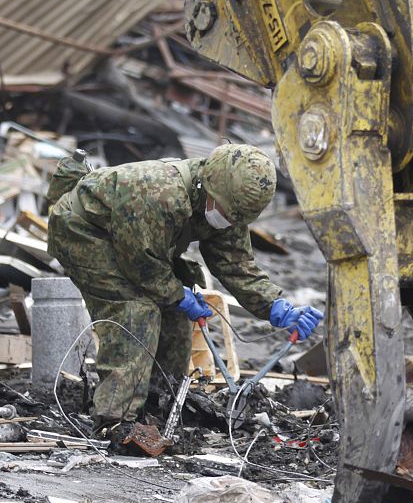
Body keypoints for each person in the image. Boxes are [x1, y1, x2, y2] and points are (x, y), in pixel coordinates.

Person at [47, 143, 324, 434]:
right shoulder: (161, 193)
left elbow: (235, 264)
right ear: (209, 186)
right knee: (135, 309)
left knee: (173, 309)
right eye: (228, 214)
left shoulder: (228, 206)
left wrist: (276, 306)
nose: (229, 222)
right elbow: (142, 264)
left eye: (237, 219)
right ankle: (116, 421)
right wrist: (178, 294)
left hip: (136, 244)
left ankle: (159, 404)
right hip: (82, 231)